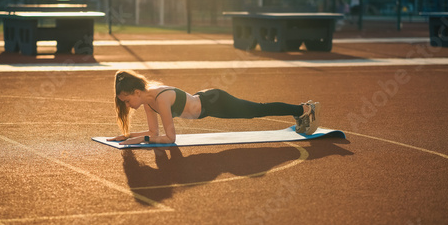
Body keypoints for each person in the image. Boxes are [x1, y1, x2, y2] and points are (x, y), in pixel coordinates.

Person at [108, 70, 321, 145]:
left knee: (257, 110)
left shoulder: (161, 99)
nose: (128, 106)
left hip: (216, 101)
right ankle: (300, 110)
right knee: (255, 111)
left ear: (136, 92)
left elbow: (170, 138)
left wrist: (144, 140)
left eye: (127, 101)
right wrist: (127, 136)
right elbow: (154, 133)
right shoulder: (148, 101)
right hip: (206, 102)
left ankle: (304, 109)